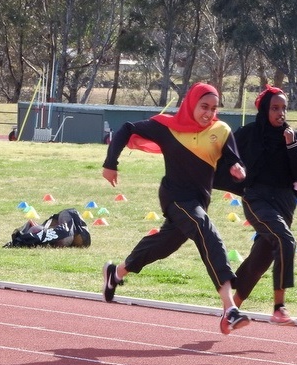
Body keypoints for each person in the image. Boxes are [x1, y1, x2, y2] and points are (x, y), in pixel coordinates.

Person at [101, 82, 249, 335]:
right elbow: (126, 129)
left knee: (164, 245)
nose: (208, 113)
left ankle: (116, 272)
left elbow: (233, 159)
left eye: (213, 109)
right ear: (191, 104)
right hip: (175, 197)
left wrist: (238, 169)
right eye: (204, 107)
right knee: (207, 232)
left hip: (198, 201)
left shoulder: (222, 130)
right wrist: (110, 163)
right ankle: (230, 308)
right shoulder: (167, 128)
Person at [231, 85, 297, 325]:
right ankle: (279, 307)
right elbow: (223, 152)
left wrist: (291, 146)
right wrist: (233, 168)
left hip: (285, 204)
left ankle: (230, 309)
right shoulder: (249, 134)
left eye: (284, 108)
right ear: (265, 109)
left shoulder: (294, 138)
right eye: (275, 108)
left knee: (261, 259)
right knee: (286, 240)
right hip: (257, 199)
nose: (281, 113)